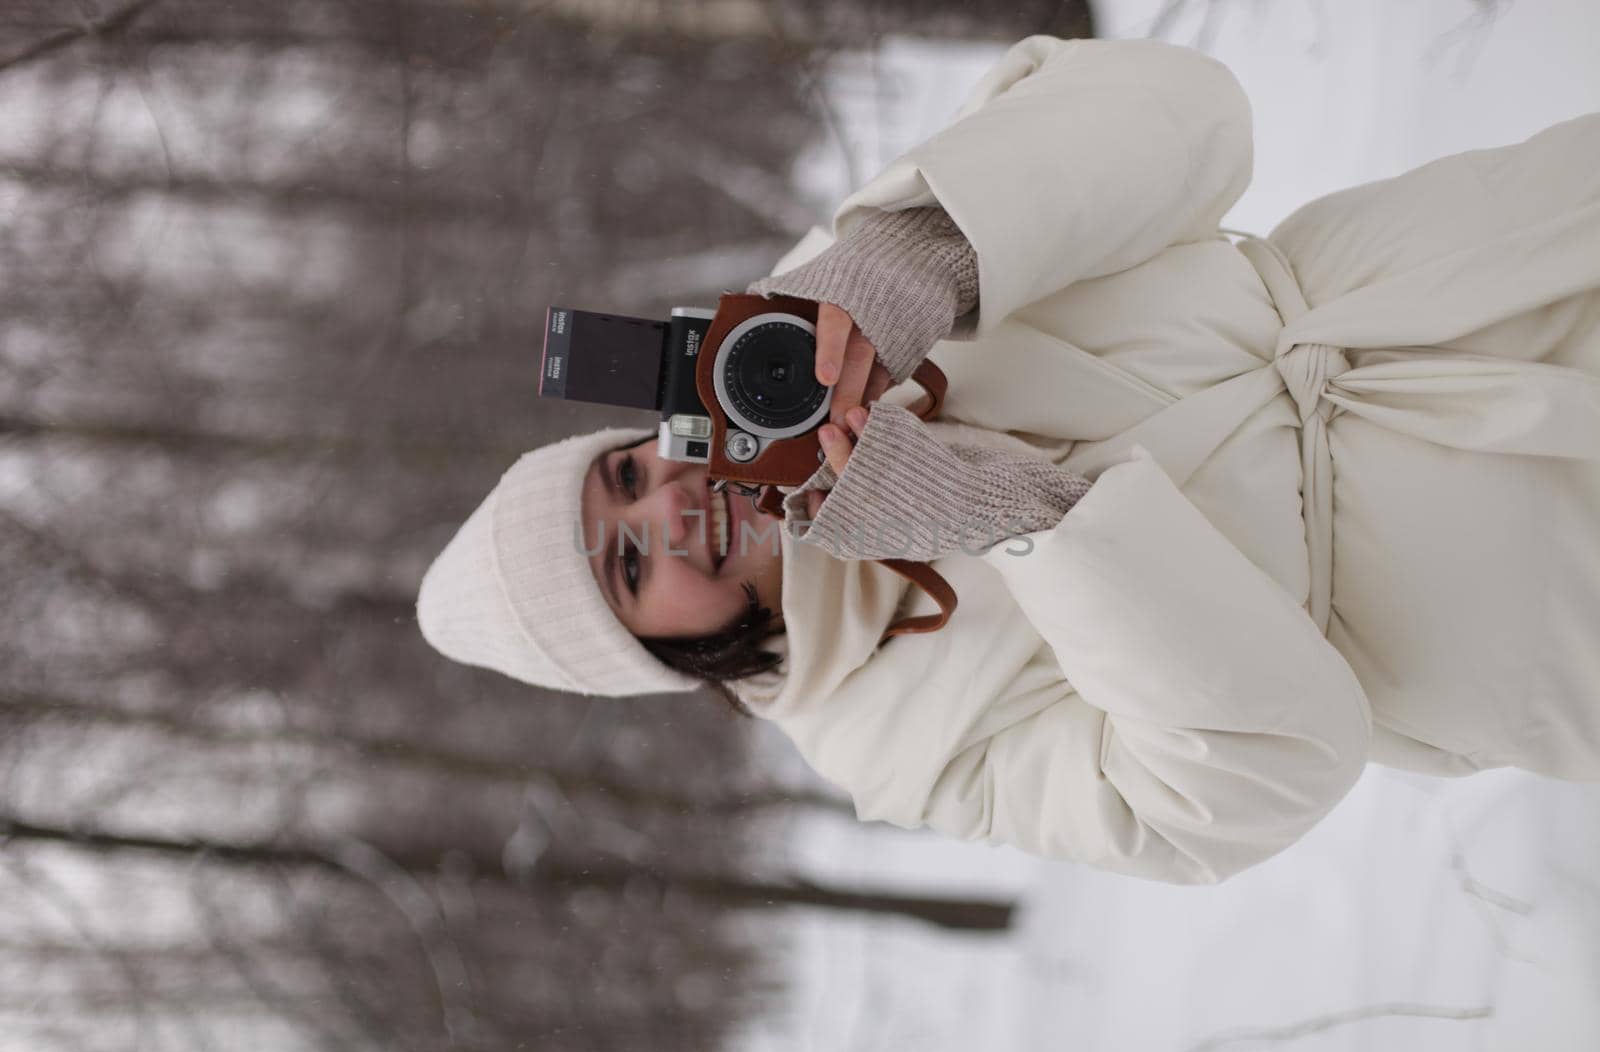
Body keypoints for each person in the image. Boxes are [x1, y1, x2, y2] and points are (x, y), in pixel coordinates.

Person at [416, 35, 1600, 885]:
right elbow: (1254, 785)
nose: (666, 510)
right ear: (666, 654)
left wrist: (925, 256)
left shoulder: (809, 313)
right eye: (630, 569)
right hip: (1521, 608)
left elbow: (1189, 110)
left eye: (623, 476)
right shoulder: (895, 743)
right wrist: (1012, 516)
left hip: (1485, 281)